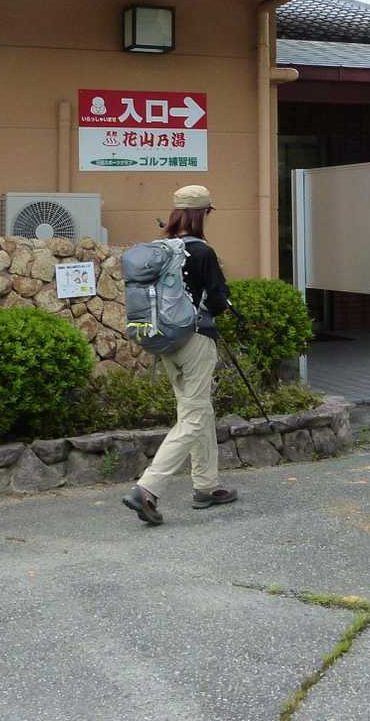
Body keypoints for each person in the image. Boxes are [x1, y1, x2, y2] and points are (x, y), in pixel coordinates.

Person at [121, 185, 237, 526]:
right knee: (194, 417)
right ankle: (147, 489)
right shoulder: (202, 252)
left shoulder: (162, 250)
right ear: (202, 214)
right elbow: (218, 301)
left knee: (196, 410)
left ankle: (206, 486)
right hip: (196, 340)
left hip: (166, 340)